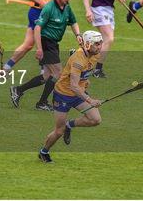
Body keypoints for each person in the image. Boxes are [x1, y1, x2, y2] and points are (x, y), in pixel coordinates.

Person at [10, 0, 82, 111]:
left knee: (46, 77)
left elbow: (73, 21)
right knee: (58, 73)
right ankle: (42, 102)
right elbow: (37, 28)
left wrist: (78, 35)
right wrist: (39, 48)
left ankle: (18, 90)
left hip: (54, 43)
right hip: (46, 42)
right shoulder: (49, 8)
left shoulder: (66, 7)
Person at [38, 30, 103, 163]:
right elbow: (73, 85)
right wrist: (90, 100)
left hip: (78, 93)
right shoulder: (77, 60)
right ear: (88, 44)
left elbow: (85, 73)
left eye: (100, 43)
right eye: (97, 44)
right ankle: (44, 152)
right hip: (63, 95)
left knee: (95, 119)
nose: (100, 46)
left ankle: (70, 125)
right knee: (58, 131)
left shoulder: (95, 55)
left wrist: (85, 82)